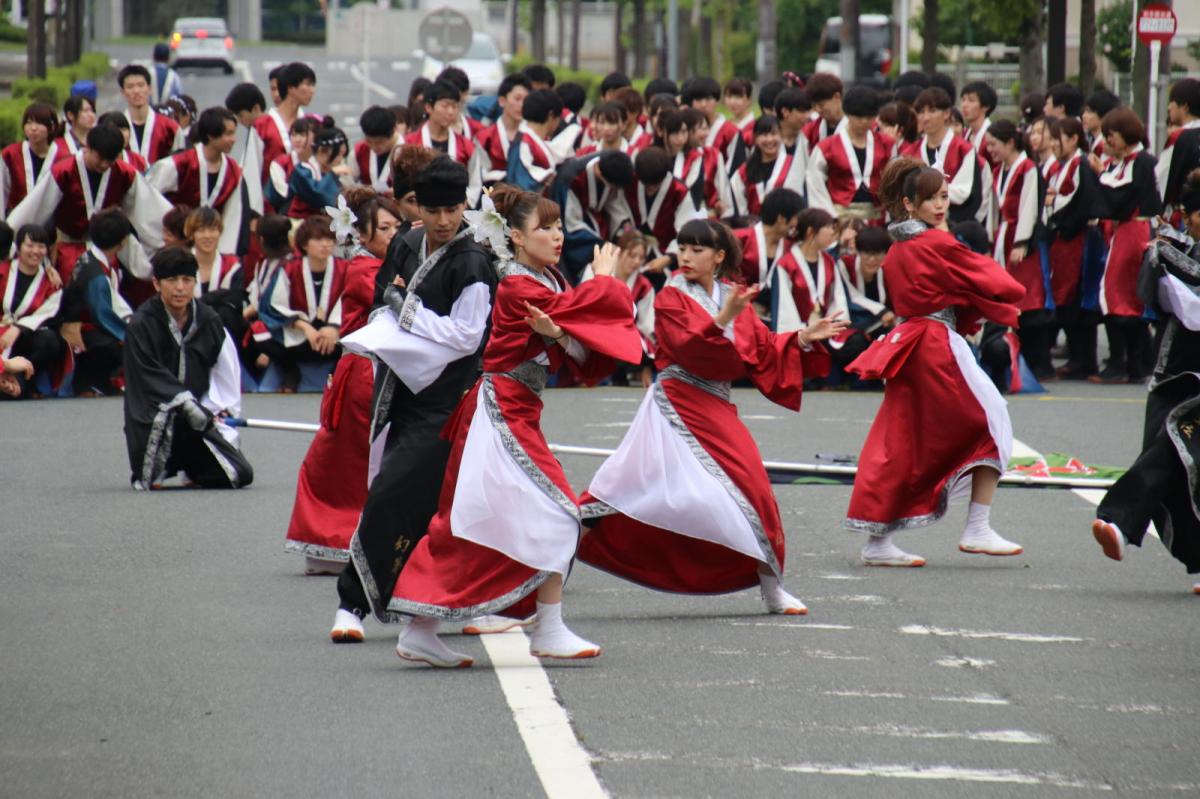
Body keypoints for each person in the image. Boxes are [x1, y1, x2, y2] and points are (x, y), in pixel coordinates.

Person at [382, 186, 643, 667]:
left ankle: (423, 629)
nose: (557, 236)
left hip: (513, 409)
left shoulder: (547, 281)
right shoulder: (520, 284)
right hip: (502, 410)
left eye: (559, 225)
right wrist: (605, 281)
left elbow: (580, 340)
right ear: (517, 238)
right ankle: (547, 626)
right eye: (544, 227)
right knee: (559, 511)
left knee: (474, 522)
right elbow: (590, 314)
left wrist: (562, 331)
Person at [577, 218, 845, 613]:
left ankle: (770, 587)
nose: (685, 256)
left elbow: (762, 348)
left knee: (750, 489)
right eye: (682, 248)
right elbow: (688, 347)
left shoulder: (730, 294)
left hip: (715, 401)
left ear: (719, 256)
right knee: (624, 488)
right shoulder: (672, 296)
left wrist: (803, 336)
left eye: (697, 249)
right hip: (678, 400)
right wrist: (723, 320)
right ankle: (554, 549)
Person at [329, 155, 497, 643]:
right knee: (404, 493)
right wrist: (403, 311)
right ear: (416, 207)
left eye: (453, 210)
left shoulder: (472, 260)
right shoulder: (406, 242)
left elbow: (467, 337)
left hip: (449, 400)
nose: (444, 221)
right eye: (434, 210)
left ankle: (353, 603)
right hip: (401, 386)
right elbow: (386, 295)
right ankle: (426, 608)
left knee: (398, 494)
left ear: (464, 205)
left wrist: (409, 313)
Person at [845, 158, 1026, 567]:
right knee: (991, 419)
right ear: (909, 204)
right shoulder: (938, 243)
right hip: (934, 343)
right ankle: (977, 527)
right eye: (930, 199)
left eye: (943, 197)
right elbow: (1004, 284)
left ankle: (878, 541)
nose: (939, 206)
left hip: (908, 341)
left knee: (901, 439)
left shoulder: (897, 250)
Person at [286, 188, 402, 573]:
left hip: (382, 369)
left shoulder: (379, 264)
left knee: (362, 459)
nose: (393, 233)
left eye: (396, 226)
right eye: (383, 228)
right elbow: (399, 302)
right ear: (361, 235)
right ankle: (340, 542)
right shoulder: (362, 270)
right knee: (355, 461)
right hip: (366, 372)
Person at [1091, 210, 1200, 592]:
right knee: (1172, 455)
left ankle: (1120, 522)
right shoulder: (1172, 253)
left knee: (1171, 451)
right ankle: (1121, 524)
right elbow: (1169, 302)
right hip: (1180, 378)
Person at [123, 247, 252, 490]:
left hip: (198, 421)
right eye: (172, 280)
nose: (180, 287)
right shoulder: (141, 325)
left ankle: (192, 468)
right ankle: (166, 467)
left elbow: (226, 374)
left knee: (239, 474)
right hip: (157, 421)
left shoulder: (209, 320)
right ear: (156, 283)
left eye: (187, 280)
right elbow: (145, 379)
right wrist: (184, 403)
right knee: (147, 481)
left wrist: (218, 410)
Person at [8, 125, 169, 285]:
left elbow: (151, 209)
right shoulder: (64, 171)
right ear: (87, 148)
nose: (105, 165)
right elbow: (35, 208)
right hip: (68, 249)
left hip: (107, 252)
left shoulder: (125, 173)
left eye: (111, 160)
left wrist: (172, 236)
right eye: (100, 158)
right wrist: (8, 238)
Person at [1092, 107, 1161, 384]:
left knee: (1120, 296)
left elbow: (1120, 196)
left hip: (1134, 231)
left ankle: (1129, 363)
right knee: (1122, 295)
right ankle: (1134, 362)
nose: (1109, 142)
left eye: (1112, 136)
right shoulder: (1126, 162)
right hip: (1126, 231)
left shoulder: (1142, 161)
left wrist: (1100, 175)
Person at [987, 119, 1055, 380]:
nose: (991, 150)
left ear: (1010, 143)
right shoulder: (998, 170)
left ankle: (1041, 362)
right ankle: (1020, 358)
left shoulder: (1027, 168)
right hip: (1003, 238)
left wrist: (1022, 242)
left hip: (1019, 241)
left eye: (994, 144)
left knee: (1029, 300)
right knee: (1012, 300)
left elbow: (1030, 206)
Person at [1046, 117, 1106, 381]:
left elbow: (1080, 203)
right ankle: (1078, 358)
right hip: (1066, 241)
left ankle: (1085, 361)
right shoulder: (1066, 165)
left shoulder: (1080, 164)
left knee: (1079, 300)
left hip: (1077, 240)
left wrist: (1053, 202)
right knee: (1068, 300)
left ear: (1072, 139)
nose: (1053, 144)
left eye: (1057, 138)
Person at [56, 209, 137, 395]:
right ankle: (91, 381)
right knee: (119, 345)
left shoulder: (88, 257)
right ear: (122, 243)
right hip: (82, 327)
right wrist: (130, 334)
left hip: (81, 320)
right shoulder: (97, 276)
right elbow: (103, 315)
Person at [148, 107, 245, 254]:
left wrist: (223, 256)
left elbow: (232, 218)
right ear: (211, 136)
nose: (234, 139)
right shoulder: (179, 165)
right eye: (229, 134)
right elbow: (149, 197)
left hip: (210, 251)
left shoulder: (233, 172)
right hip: (174, 248)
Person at [268, 214, 345, 391]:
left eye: (329, 239)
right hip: (301, 337)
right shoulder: (290, 269)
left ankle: (336, 377)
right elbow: (274, 306)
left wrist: (334, 328)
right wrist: (305, 327)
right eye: (318, 239)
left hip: (334, 339)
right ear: (304, 244)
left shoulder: (345, 268)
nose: (325, 244)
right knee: (259, 332)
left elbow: (351, 301)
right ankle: (291, 371)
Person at [806, 86, 892, 223]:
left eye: (870, 117)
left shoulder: (887, 144)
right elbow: (814, 182)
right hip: (838, 217)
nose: (864, 122)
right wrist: (829, 217)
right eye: (859, 117)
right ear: (848, 114)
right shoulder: (826, 147)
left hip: (877, 219)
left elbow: (895, 179)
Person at [550, 149, 635, 283]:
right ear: (599, 172)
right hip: (577, 234)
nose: (612, 190)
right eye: (611, 187)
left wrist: (625, 228)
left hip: (600, 224)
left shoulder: (614, 162)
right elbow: (569, 225)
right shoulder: (570, 179)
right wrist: (602, 246)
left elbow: (615, 202)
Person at [0, 224, 66, 396]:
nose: (35, 251)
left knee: (50, 341)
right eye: (30, 245)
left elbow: (47, 313)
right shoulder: (3, 271)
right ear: (19, 247)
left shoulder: (52, 283)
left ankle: (22, 380)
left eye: (41, 246)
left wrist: (18, 328)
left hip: (26, 339)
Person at [903, 87, 985, 225]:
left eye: (932, 111)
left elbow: (966, 194)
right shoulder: (910, 153)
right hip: (918, 226)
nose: (926, 117)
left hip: (955, 224)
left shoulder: (964, 150)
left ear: (947, 113)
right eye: (921, 112)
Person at [404, 80, 483, 204]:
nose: (451, 112)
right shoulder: (410, 143)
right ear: (429, 107)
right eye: (445, 106)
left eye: (455, 106)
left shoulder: (467, 146)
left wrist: (462, 204)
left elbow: (475, 183)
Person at [625, 146, 702, 266]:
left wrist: (669, 258)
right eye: (647, 186)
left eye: (654, 186)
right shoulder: (631, 182)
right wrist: (627, 229)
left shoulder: (679, 192)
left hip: (666, 252)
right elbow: (618, 209)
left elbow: (686, 230)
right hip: (631, 247)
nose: (650, 191)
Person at [185, 207, 245, 342]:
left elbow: (236, 297)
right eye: (201, 230)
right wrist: (219, 296)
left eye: (213, 229)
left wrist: (201, 301)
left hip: (226, 337)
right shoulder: (180, 264)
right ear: (191, 234)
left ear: (220, 232)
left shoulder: (233, 265)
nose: (208, 236)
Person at [729, 115, 804, 218]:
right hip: (752, 228)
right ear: (755, 138)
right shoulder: (744, 171)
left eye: (774, 134)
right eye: (764, 135)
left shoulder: (793, 165)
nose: (769, 140)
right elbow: (738, 202)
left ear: (781, 136)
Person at [254, 62, 317, 178]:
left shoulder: (310, 124)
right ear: (291, 88)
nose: (312, 90)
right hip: (270, 193)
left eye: (313, 85)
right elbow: (252, 170)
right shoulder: (262, 125)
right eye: (308, 84)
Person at [1, 103, 60, 216]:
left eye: (39, 123)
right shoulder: (10, 154)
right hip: (15, 218)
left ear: (52, 127)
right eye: (29, 122)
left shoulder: (63, 157)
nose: (33, 128)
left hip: (50, 222)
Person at [474, 74, 532, 185]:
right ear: (502, 101)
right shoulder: (484, 137)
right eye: (517, 98)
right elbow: (477, 177)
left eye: (526, 100)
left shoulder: (534, 136)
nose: (521, 105)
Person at [118, 64, 181, 164]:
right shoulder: (114, 128)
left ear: (149, 89)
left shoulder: (170, 128)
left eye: (141, 85)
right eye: (130, 87)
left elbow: (180, 163)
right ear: (123, 92)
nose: (136, 91)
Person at [682, 76, 745, 175]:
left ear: (717, 101)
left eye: (708, 99)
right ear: (692, 102)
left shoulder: (731, 132)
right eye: (698, 99)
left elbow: (736, 168)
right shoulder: (684, 128)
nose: (703, 104)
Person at [1159, 78, 1200, 214]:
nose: (1169, 107)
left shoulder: (1179, 137)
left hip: (1186, 212)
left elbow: (1161, 178)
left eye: (1172, 102)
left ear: (1184, 107)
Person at [349, 106, 399, 193]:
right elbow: (349, 183)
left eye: (380, 142)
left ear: (394, 130)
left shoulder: (408, 151)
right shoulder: (359, 151)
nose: (374, 147)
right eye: (369, 141)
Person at [801, 73, 846, 151]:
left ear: (837, 97)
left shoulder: (859, 127)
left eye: (821, 105)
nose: (818, 110)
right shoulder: (810, 131)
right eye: (814, 106)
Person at [960, 81, 999, 169]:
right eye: (963, 100)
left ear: (986, 106)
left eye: (971, 100)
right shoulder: (964, 134)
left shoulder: (994, 137)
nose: (964, 105)